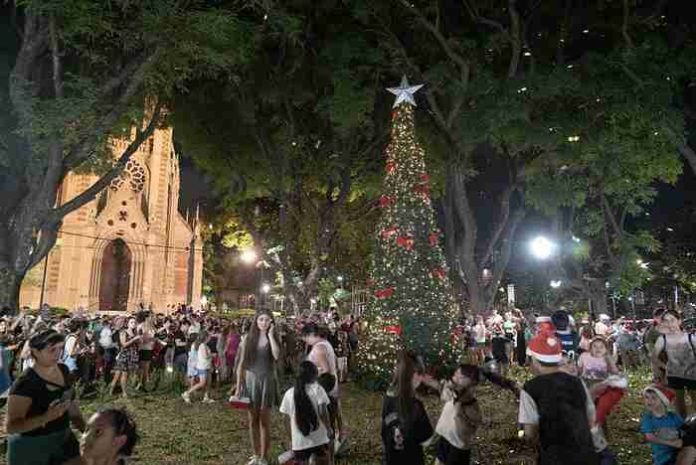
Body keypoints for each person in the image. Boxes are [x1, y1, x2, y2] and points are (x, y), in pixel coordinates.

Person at [5, 329, 86, 465]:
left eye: (60, 348)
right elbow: (11, 427)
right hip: (31, 446)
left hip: (63, 439)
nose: (58, 353)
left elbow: (72, 407)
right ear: (36, 352)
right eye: (52, 350)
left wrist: (87, 432)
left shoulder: (63, 370)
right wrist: (47, 417)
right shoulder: (25, 384)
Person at [518, 331, 599, 464]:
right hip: (585, 453)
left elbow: (530, 432)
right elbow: (591, 417)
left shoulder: (530, 388)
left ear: (536, 360)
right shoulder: (577, 382)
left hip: (554, 456)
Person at [434, 364, 519, 465]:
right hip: (445, 437)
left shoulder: (468, 402)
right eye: (455, 374)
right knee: (439, 461)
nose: (454, 377)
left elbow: (462, 398)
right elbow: (445, 393)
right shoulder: (454, 390)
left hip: (458, 445)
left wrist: (458, 412)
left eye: (459, 376)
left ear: (471, 382)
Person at [236, 310, 281, 465]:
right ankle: (255, 454)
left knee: (264, 421)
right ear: (256, 321)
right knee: (252, 421)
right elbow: (241, 364)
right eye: (261, 319)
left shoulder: (273, 337)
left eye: (268, 320)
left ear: (271, 322)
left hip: (266, 381)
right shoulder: (248, 338)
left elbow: (276, 356)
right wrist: (238, 386)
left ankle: (264, 456)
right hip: (250, 381)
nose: (264, 323)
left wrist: (270, 335)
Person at [381, 351, 433, 465]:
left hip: (392, 459)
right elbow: (427, 440)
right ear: (410, 375)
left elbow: (384, 433)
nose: (421, 378)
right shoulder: (416, 405)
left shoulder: (387, 398)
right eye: (419, 374)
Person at [279, 361, 332, 465]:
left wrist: (291, 438)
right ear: (314, 375)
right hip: (319, 440)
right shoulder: (318, 389)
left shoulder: (289, 394)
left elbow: (285, 420)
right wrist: (328, 428)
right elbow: (323, 412)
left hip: (299, 443)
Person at [302, 322, 344, 448]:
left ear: (310, 335)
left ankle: (327, 448)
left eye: (305, 338)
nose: (305, 341)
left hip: (323, 388)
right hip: (330, 386)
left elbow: (325, 370)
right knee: (331, 415)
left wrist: (312, 375)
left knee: (325, 420)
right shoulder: (326, 344)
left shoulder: (319, 348)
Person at [653, 310, 696, 418]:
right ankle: (683, 428)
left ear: (679, 321)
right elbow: (654, 357)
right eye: (666, 321)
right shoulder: (662, 339)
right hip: (674, 376)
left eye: (672, 320)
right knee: (679, 404)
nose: (670, 324)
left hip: (693, 374)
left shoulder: (690, 337)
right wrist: (663, 367)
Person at [577, 337, 625, 426]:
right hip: (586, 383)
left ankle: (599, 426)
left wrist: (609, 359)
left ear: (606, 349)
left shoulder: (607, 358)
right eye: (595, 346)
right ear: (590, 347)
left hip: (601, 385)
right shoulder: (584, 356)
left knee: (599, 408)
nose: (598, 349)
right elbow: (579, 371)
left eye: (601, 347)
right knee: (586, 407)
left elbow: (615, 372)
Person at [640, 384, 683, 465]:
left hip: (679, 456)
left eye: (653, 398)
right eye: (646, 397)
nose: (649, 401)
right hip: (662, 460)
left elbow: (685, 430)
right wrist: (673, 443)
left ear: (663, 400)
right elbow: (650, 437)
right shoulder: (648, 418)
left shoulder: (673, 417)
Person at [108, 318, 140, 398]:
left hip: (132, 355)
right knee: (122, 374)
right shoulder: (123, 332)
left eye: (134, 322)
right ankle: (123, 393)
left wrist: (139, 340)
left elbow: (137, 343)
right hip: (124, 355)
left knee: (120, 374)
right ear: (127, 323)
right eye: (131, 322)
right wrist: (134, 339)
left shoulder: (135, 333)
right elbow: (124, 344)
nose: (133, 324)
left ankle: (111, 392)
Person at [181, 331, 214, 404]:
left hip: (207, 366)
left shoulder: (205, 345)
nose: (210, 338)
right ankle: (187, 393)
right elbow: (205, 356)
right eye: (209, 336)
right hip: (203, 367)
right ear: (205, 338)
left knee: (208, 383)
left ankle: (206, 397)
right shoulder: (202, 345)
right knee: (202, 383)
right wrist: (212, 355)